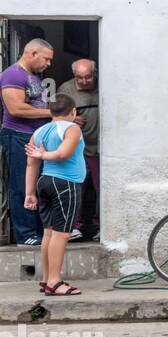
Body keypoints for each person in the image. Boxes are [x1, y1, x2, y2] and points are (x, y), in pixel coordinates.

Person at [23, 94, 84, 296]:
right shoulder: (71, 128)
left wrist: (29, 193)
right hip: (65, 183)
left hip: (45, 182)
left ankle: (46, 278)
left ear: (50, 112)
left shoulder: (39, 131)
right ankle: (55, 282)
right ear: (73, 111)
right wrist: (44, 155)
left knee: (49, 233)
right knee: (61, 233)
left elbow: (31, 164)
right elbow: (63, 153)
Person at [2, 39, 54, 245]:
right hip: (17, 135)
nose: (48, 64)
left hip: (33, 136)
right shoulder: (13, 74)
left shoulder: (31, 77)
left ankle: (38, 231)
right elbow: (16, 109)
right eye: (46, 59)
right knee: (22, 184)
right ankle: (26, 234)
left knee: (36, 184)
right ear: (32, 53)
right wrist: (52, 113)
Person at [57, 58, 99, 241]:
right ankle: (75, 227)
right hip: (77, 150)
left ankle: (99, 227)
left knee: (101, 190)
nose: (84, 81)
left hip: (100, 149)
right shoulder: (66, 90)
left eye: (88, 77)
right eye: (79, 78)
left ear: (94, 74)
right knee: (75, 189)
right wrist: (69, 119)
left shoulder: (106, 84)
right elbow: (55, 116)